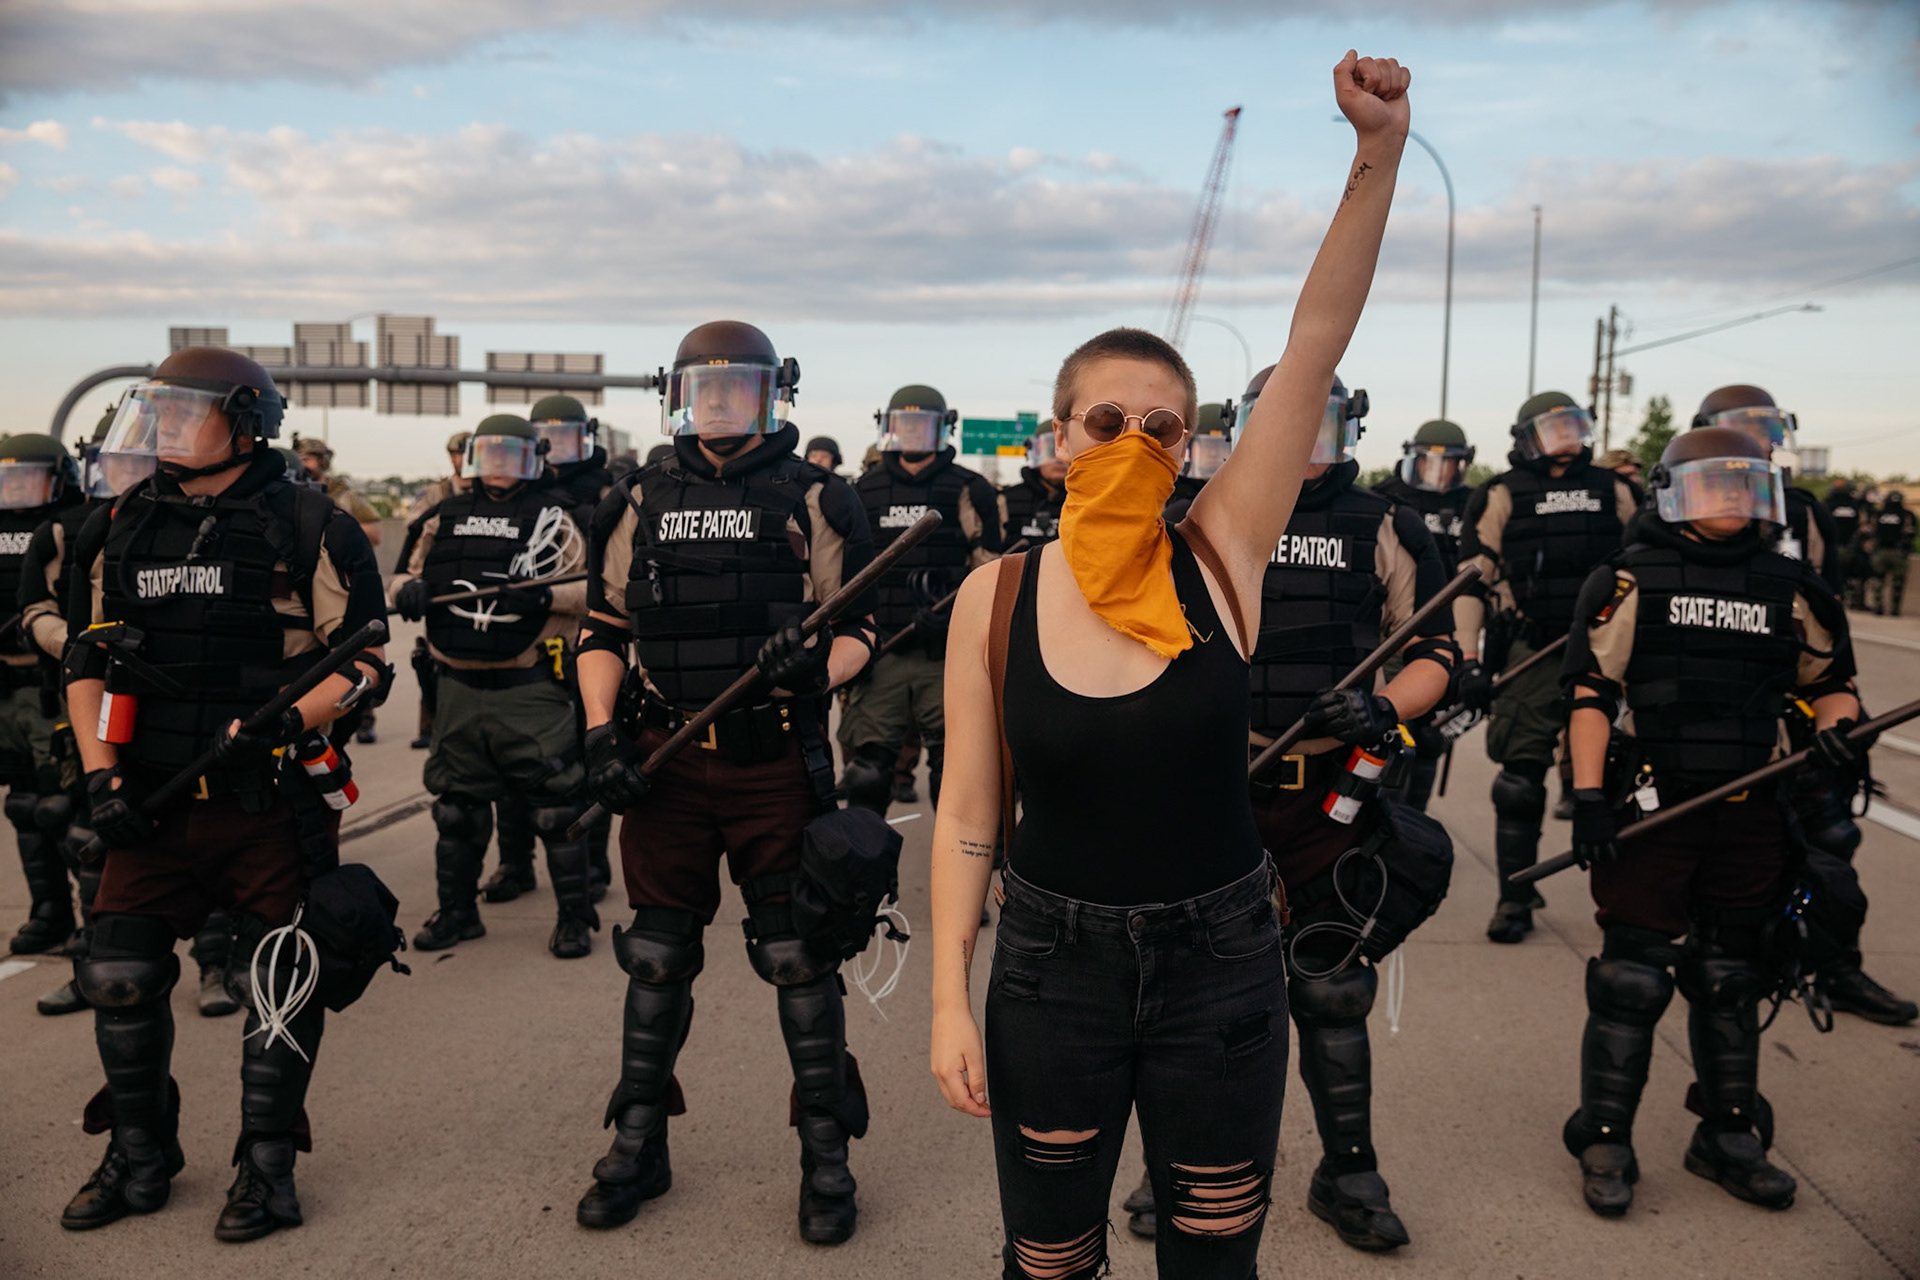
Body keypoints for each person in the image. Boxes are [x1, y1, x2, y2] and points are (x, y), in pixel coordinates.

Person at [930, 51, 1411, 1280]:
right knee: (1050, 1261)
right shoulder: (996, 598)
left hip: (1224, 968)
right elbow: (970, 816)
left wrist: (1378, 151)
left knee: (1213, 1259)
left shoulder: (1223, 557)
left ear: (1197, 448)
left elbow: (1312, 344)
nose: (1136, 441)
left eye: (1164, 428)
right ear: (1055, 440)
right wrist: (946, 992)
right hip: (1049, 970)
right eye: (1108, 422)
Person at [57, 346, 390, 1238]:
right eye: (156, 410)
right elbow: (86, 662)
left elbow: (363, 659)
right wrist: (100, 779)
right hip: (150, 797)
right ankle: (139, 1149)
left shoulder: (312, 524)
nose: (163, 426)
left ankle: (268, 1168)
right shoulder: (118, 523)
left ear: (244, 421)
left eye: (183, 411)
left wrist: (291, 722)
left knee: (279, 982)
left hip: (266, 802)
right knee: (119, 974)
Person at [1122, 369, 1456, 1250]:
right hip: (1204, 791)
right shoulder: (1186, 517)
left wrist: (1388, 708)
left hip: (1326, 799)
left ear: (1347, 426)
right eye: (1280, 422)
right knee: (1191, 997)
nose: (1301, 436)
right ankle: (1176, 1170)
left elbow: (1435, 649)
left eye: (1320, 420)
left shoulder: (1385, 523)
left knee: (1333, 988)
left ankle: (1347, 1171)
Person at [571, 319, 880, 1243]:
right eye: (702, 389)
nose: (717, 405)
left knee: (797, 958)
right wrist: (599, 737)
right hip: (664, 760)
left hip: (775, 762)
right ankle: (638, 1141)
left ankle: (827, 1159)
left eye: (736, 389)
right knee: (657, 957)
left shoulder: (821, 497)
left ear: (770, 394)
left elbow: (863, 631)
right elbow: (603, 629)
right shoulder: (635, 495)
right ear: (677, 395)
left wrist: (809, 670)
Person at [1557, 426, 1864, 1218]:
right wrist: (1589, 799)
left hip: (1754, 812)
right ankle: (1605, 1137)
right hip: (1655, 810)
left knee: (1732, 977)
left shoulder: (1792, 587)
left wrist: (1838, 729)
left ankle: (1728, 1137)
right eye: (1712, 483)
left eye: (1744, 483)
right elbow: (1592, 694)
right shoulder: (1631, 579)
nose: (1730, 497)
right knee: (1631, 976)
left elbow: (1832, 681)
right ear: (1674, 491)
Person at [29, 417, 241, 1019]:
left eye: (138, 464)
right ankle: (92, 958)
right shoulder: (87, 528)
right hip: (99, 707)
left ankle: (217, 964)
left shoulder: (209, 523)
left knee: (207, 839)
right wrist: (79, 643)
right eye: (115, 464)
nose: (126, 477)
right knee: (91, 835)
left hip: (181, 712)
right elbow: (46, 616)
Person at [390, 415, 597, 959]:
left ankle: (575, 918)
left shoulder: (557, 519)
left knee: (555, 810)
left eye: (512, 454)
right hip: (456, 686)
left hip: (530, 687)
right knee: (456, 810)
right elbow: (401, 574)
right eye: (491, 454)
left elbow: (592, 590)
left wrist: (546, 599)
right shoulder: (442, 517)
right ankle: (458, 912)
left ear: (533, 458)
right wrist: (408, 590)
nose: (500, 465)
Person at [1454, 391, 1638, 942]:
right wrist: (1468, 658)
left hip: (1609, 651)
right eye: (1553, 429)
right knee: (1519, 780)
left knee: (1625, 779)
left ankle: (1631, 905)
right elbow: (1473, 579)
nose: (1566, 438)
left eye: (1574, 427)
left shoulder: (1619, 491)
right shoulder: (1502, 493)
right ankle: (1515, 896)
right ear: (1527, 436)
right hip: (1531, 647)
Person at [837, 384, 1002, 816]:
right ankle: (865, 879)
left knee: (958, 774)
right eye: (903, 425)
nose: (912, 435)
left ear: (943, 429)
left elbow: (991, 573)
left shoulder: (970, 488)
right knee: (866, 775)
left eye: (922, 426)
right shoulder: (862, 489)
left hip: (947, 653)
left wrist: (955, 622)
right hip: (882, 649)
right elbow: (844, 574)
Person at [528, 393, 618, 901]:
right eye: (547, 438)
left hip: (594, 645)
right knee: (524, 770)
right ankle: (515, 864)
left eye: (568, 437)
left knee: (593, 761)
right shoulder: (516, 493)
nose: (557, 450)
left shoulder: (610, 495)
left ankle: (594, 866)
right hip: (530, 652)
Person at [1, 433, 85, 959]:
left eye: (28, 478)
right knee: (24, 806)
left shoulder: (68, 528)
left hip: (49, 685)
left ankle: (99, 923)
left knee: (63, 806)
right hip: (6, 692)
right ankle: (50, 912)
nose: (17, 490)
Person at [997, 425, 1069, 547]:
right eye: (1051, 450)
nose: (1059, 458)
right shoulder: (1005, 501)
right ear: (1034, 453)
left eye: (1068, 450)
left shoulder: (1091, 502)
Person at [1162, 401, 1232, 523]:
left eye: (1221, 445)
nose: (1213, 453)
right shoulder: (1179, 508)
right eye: (1207, 445)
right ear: (1189, 448)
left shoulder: (1240, 498)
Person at [1823, 479, 1869, 609]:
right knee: (1853, 575)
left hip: (1831, 548)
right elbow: (1863, 528)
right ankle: (1853, 601)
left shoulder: (1826, 505)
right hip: (1850, 549)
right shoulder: (1857, 507)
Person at [1867, 490, 1914, 616]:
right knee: (1898, 583)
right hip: (1898, 552)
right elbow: (1911, 534)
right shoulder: (1907, 515)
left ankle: (1878, 607)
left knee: (1878, 580)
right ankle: (1894, 609)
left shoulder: (1878, 514)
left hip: (1880, 551)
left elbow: (1870, 531)